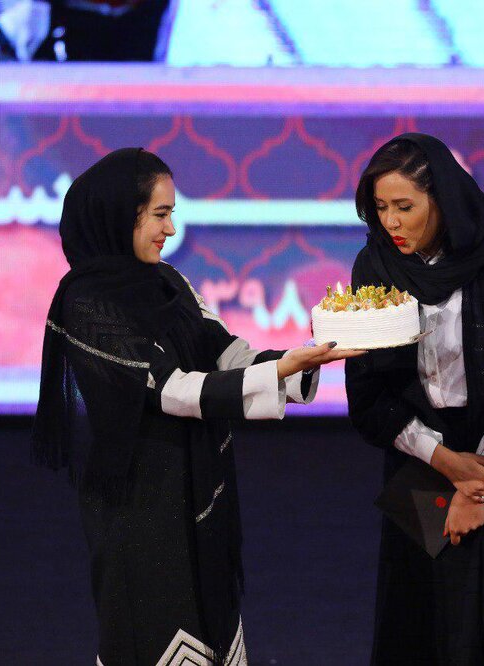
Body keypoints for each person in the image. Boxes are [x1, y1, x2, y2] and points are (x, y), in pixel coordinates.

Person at [31, 147, 360, 666]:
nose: (170, 229)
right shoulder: (87, 303)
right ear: (120, 215)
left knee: (214, 628)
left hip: (200, 490)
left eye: (171, 214)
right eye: (159, 214)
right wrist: (277, 372)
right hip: (140, 511)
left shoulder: (168, 281)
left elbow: (225, 352)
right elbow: (172, 390)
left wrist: (299, 360)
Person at [345, 133, 484, 665]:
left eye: (405, 207)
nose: (391, 223)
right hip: (421, 459)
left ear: (442, 200)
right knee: (424, 624)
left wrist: (477, 484)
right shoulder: (375, 268)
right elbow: (369, 393)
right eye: (380, 208)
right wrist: (444, 461)